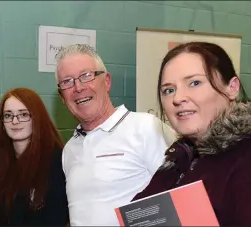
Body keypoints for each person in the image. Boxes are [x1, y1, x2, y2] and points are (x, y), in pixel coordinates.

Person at [132, 42, 251, 225]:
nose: (178, 98)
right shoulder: (179, 158)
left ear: (232, 88)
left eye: (194, 83)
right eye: (169, 90)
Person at [55, 44, 175, 226]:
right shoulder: (70, 150)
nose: (78, 87)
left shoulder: (146, 128)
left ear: (107, 81)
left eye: (86, 76)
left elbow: (179, 198)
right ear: (62, 97)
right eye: (67, 82)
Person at [0, 88, 69, 226]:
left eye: (23, 114)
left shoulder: (56, 161)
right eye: (8, 115)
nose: (15, 121)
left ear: (36, 118)